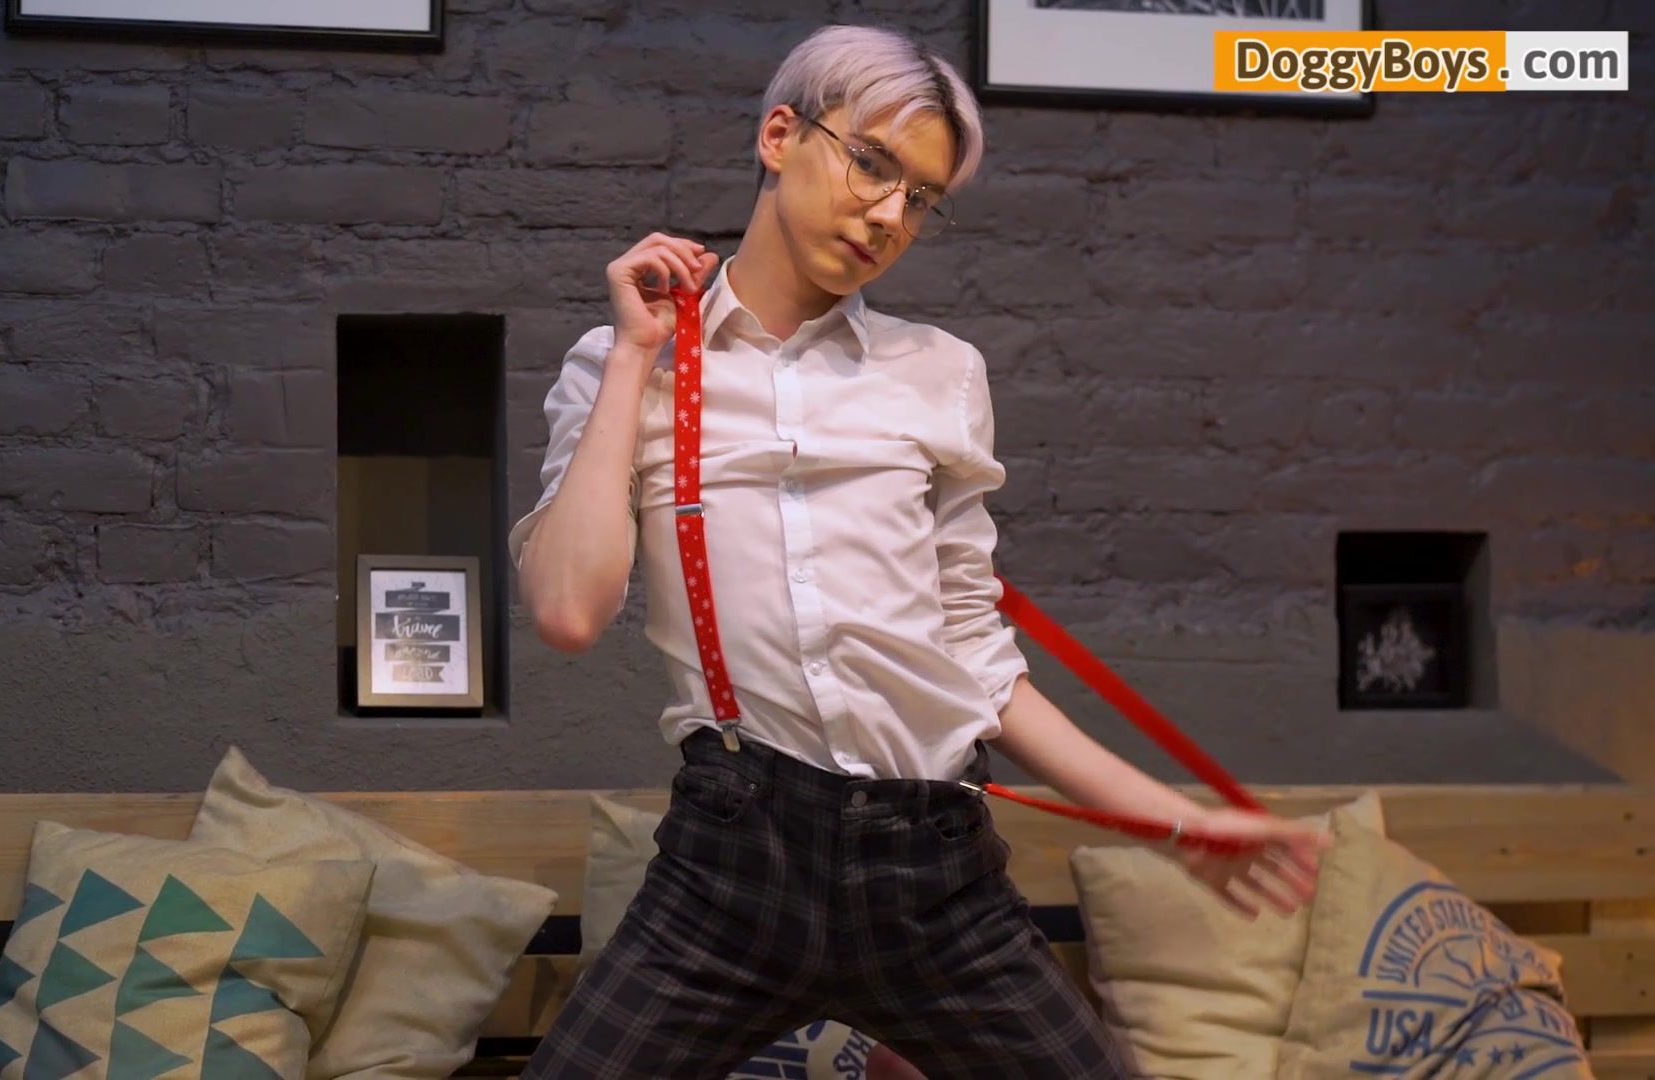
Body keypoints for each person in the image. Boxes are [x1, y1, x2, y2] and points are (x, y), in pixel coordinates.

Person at [507, 21, 1330, 1079]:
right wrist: (634, 353)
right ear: (779, 136)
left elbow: (978, 661)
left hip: (933, 875)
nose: (892, 216)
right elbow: (569, 612)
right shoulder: (626, 365)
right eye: (871, 163)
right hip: (731, 871)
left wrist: (1177, 825)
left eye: (923, 198)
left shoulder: (939, 374)